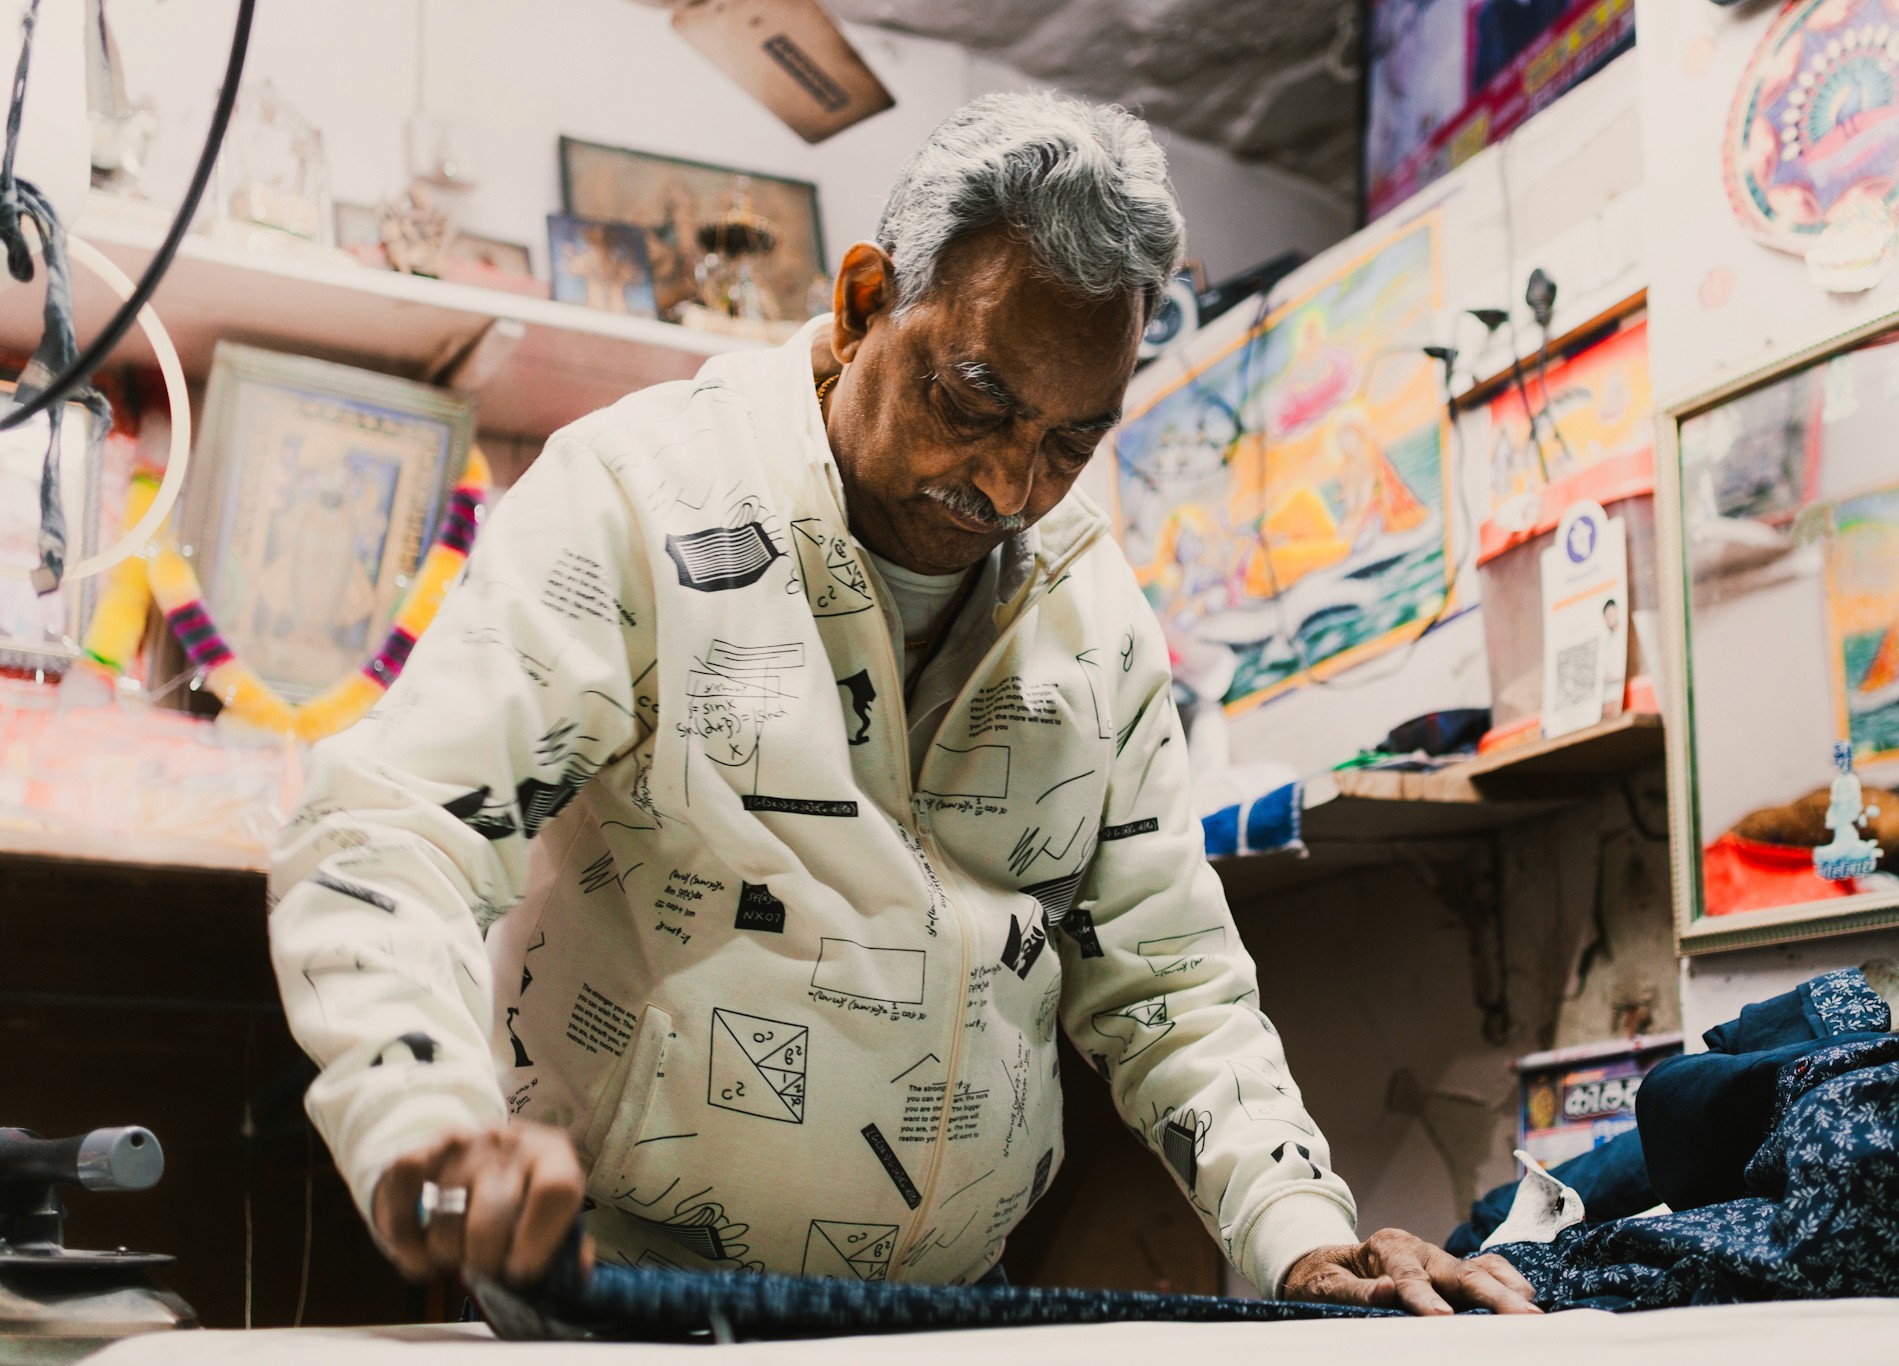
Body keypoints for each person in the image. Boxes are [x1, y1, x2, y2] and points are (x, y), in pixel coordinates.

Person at [269, 91, 1538, 1318]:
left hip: (942, 1316)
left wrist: (1306, 1242)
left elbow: (1171, 986)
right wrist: (422, 1120)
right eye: (971, 401)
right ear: (865, 301)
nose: (1004, 483)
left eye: (1068, 443)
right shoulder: (642, 499)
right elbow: (394, 828)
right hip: (620, 1300)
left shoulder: (1087, 613)